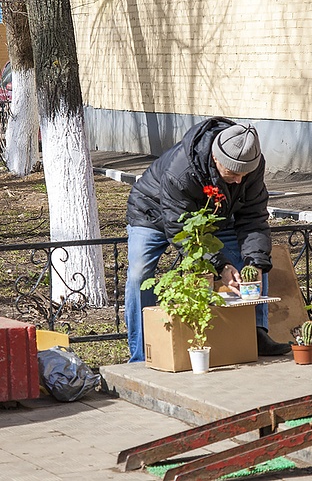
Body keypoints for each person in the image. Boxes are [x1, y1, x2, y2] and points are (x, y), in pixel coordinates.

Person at [125, 116, 292, 363]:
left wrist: (255, 263)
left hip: (214, 214)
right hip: (152, 212)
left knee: (254, 261)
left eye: (245, 174)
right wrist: (221, 265)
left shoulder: (249, 164)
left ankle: (256, 334)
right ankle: (142, 353)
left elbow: (254, 217)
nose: (240, 180)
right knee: (140, 273)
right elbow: (179, 227)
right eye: (234, 174)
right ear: (216, 159)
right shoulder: (180, 170)